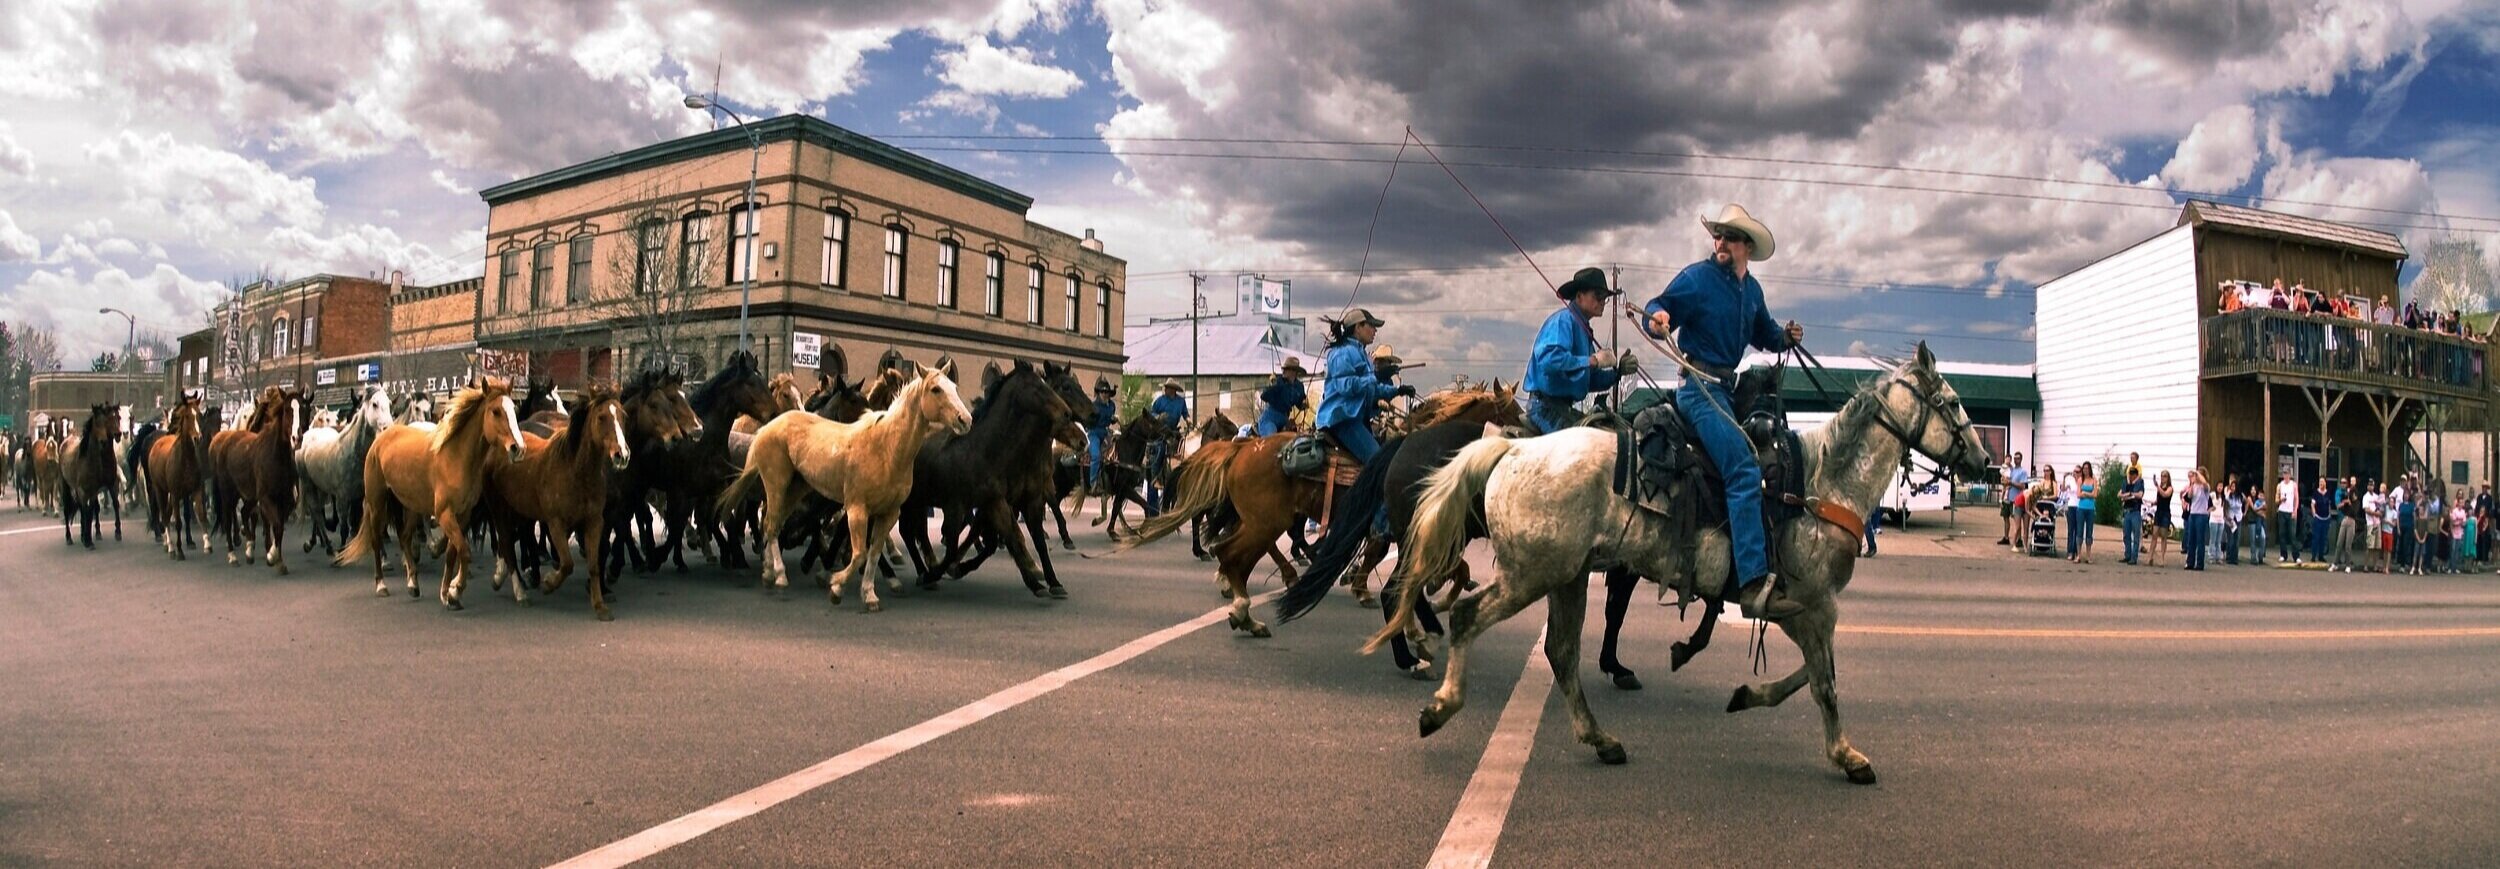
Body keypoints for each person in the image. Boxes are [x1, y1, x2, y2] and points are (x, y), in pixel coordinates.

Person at [1642, 204, 1803, 621]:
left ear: (1746, 246)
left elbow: (1765, 333)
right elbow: (1658, 305)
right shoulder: (1698, 278)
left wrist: (1784, 337)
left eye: (1728, 236)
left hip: (1726, 390)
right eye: (1717, 235)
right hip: (1697, 388)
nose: (1719, 242)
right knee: (1745, 468)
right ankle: (1751, 583)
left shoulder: (1753, 293)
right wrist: (1657, 318)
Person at [1522, 267, 1635, 435]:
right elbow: (1548, 360)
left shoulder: (1582, 328)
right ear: (1580, 296)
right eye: (1598, 296)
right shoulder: (1563, 321)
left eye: (1605, 298)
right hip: (1545, 408)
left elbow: (1588, 380)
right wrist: (1592, 361)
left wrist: (1618, 373)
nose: (1603, 301)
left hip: (1560, 408)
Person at [1313, 308, 1409, 466]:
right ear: (1358, 327)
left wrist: (1397, 390)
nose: (1375, 330)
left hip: (1355, 419)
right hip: (1342, 420)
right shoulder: (1341, 353)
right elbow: (1346, 386)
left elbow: (1373, 389)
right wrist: (1375, 377)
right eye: (1371, 325)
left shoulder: (1361, 354)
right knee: (1379, 465)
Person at [1142, 380, 1192, 515]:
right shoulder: (1159, 401)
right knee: (1160, 449)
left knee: (1186, 447)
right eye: (1166, 388)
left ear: (1174, 390)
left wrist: (1188, 420)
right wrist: (1158, 416)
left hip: (1174, 432)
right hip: (1160, 433)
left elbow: (1185, 414)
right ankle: (1156, 477)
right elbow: (1151, 414)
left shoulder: (1180, 402)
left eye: (1170, 388)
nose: (1167, 390)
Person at [1254, 358, 1309, 437]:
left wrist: (1304, 404)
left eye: (1286, 370)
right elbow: (1264, 396)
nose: (1283, 371)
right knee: (1272, 438)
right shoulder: (1278, 381)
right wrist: (1273, 386)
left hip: (1285, 419)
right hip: (1269, 418)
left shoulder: (1299, 386)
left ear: (1294, 371)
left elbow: (1300, 403)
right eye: (1284, 369)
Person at [1084, 380, 1118, 491]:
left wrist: (1113, 420)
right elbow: (1088, 422)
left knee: (1118, 452)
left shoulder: (1112, 405)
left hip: (1106, 432)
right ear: (1098, 393)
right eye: (1102, 392)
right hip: (1094, 432)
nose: (1105, 394)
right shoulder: (1093, 406)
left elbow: (1111, 420)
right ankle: (1093, 482)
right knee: (1096, 456)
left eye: (1107, 392)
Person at [2182, 469, 2212, 571]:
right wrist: (2191, 483)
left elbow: (2205, 483)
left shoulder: (2205, 487)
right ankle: (2190, 562)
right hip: (2193, 514)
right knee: (2191, 540)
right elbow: (2189, 496)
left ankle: (2199, 563)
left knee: (2200, 540)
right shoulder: (2194, 486)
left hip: (2201, 515)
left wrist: (2198, 473)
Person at [1998, 452, 2029, 547]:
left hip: (2017, 499)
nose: (2016, 460)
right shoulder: (2011, 470)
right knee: (2006, 517)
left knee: (2017, 522)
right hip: (2009, 498)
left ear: (2021, 459)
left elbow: (2023, 486)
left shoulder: (2023, 471)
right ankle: (2007, 537)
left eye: (2018, 458)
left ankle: (2019, 539)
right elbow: (2005, 479)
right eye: (2015, 458)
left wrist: (2011, 482)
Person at [2073, 461, 2098, 564]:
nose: (2085, 470)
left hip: (2090, 508)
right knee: (2079, 531)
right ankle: (2078, 555)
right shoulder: (2080, 480)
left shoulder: (2094, 480)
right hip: (2081, 508)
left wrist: (2085, 493)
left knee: (2089, 532)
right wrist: (2089, 494)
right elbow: (2078, 494)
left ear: (2090, 469)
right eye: (2084, 468)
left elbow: (2095, 494)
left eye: (2087, 468)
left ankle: (2088, 555)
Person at [2120, 465, 2145, 565]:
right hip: (2127, 511)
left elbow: (2140, 495)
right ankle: (2127, 555)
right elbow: (2121, 495)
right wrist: (2130, 495)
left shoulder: (2140, 483)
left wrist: (2130, 495)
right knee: (2126, 535)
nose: (2131, 476)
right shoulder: (2126, 483)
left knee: (2136, 535)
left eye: (2133, 474)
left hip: (2135, 511)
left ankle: (2134, 557)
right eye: (2130, 474)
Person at [2274, 470, 2300, 564]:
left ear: (2290, 475)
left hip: (2290, 512)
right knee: (2282, 534)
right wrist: (2280, 500)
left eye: (2287, 474)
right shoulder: (2280, 485)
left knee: (2292, 534)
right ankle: (2283, 554)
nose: (2285, 475)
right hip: (2282, 511)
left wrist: (2295, 510)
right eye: (2284, 474)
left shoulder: (2293, 485)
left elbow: (2296, 498)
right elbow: (2276, 500)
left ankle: (2296, 556)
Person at [2150, 470, 2175, 567]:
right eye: (2162, 476)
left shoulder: (2170, 488)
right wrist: (2154, 502)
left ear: (2168, 478)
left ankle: (2162, 558)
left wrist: (2157, 486)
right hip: (2158, 512)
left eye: (2165, 476)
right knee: (2154, 534)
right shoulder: (2160, 488)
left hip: (2165, 513)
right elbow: (2159, 499)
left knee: (2163, 535)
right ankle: (2150, 556)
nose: (2163, 478)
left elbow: (2165, 495)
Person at [2309, 476, 2335, 565]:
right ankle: (2313, 555)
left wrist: (2330, 515)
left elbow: (2329, 505)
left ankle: (2321, 556)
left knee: (2323, 538)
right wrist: (2314, 514)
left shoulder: (2328, 493)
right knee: (2316, 537)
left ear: (2325, 483)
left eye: (2323, 482)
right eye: (2320, 482)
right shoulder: (2315, 493)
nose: (2321, 483)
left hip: (2326, 518)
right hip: (2318, 518)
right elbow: (2312, 504)